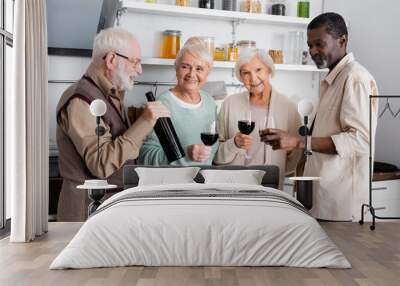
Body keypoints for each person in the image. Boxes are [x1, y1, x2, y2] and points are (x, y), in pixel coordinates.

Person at [260, 12, 378, 221]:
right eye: (309, 45)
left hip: (341, 206)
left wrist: (298, 142)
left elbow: (361, 141)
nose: (312, 51)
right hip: (323, 199)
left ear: (342, 40)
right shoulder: (333, 79)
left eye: (319, 44)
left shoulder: (355, 78)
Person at [56, 28, 170, 221]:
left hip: (106, 211)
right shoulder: (82, 100)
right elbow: (102, 163)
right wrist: (144, 121)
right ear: (111, 60)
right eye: (135, 62)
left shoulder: (111, 95)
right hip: (87, 215)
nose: (140, 70)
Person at [214, 48, 302, 188]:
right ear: (240, 77)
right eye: (246, 73)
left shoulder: (289, 108)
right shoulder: (229, 104)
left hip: (270, 188)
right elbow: (215, 155)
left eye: (258, 70)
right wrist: (234, 144)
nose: (253, 79)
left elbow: (296, 157)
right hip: (232, 186)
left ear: (269, 70)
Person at [139, 42, 218, 165]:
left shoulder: (210, 103)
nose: (191, 74)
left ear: (207, 73)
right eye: (185, 67)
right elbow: (146, 157)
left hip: (204, 181)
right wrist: (186, 152)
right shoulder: (162, 105)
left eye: (199, 69)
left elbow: (213, 152)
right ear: (176, 69)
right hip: (174, 182)